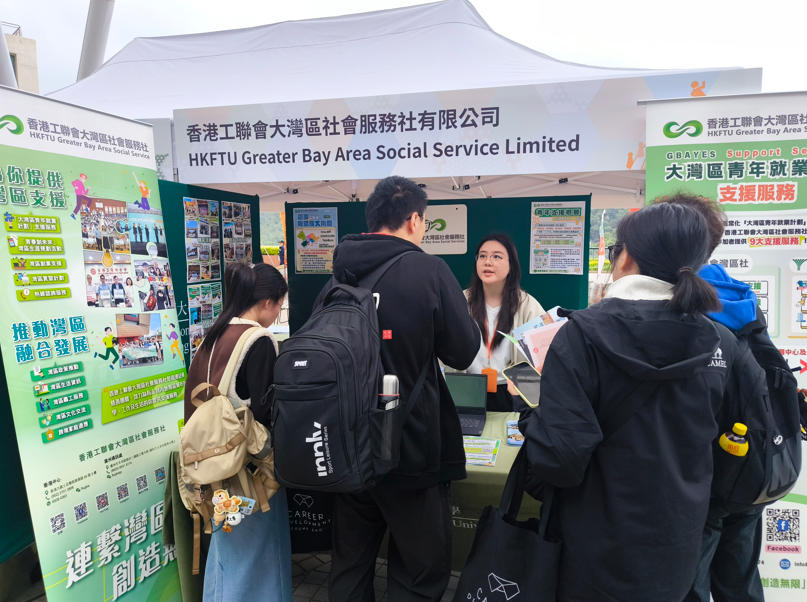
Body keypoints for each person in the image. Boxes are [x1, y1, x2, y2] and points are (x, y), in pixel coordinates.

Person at [518, 203, 766, 601]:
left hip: (593, 549)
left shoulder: (580, 335)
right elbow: (739, 451)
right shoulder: (721, 342)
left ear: (627, 256)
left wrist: (533, 413)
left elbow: (560, 460)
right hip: (679, 549)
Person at [317, 176, 479, 601]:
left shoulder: (337, 278)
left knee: (350, 564)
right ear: (413, 220)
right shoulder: (429, 270)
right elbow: (463, 351)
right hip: (411, 445)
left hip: (347, 445)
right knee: (418, 571)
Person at [657, 194, 768, 602]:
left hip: (699, 477)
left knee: (689, 587)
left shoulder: (678, 304)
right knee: (739, 583)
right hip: (748, 465)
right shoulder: (739, 295)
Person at [184, 262, 290, 601]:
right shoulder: (258, 340)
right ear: (268, 302)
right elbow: (264, 411)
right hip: (246, 472)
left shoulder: (213, 335)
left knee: (225, 550)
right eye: (279, 306)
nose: (277, 314)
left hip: (208, 467)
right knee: (255, 557)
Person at [464, 233, 544, 410]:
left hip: (513, 392)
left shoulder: (528, 306)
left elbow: (543, 357)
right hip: (468, 388)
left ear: (511, 265)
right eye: (482, 256)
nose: (488, 262)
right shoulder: (461, 302)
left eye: (497, 257)